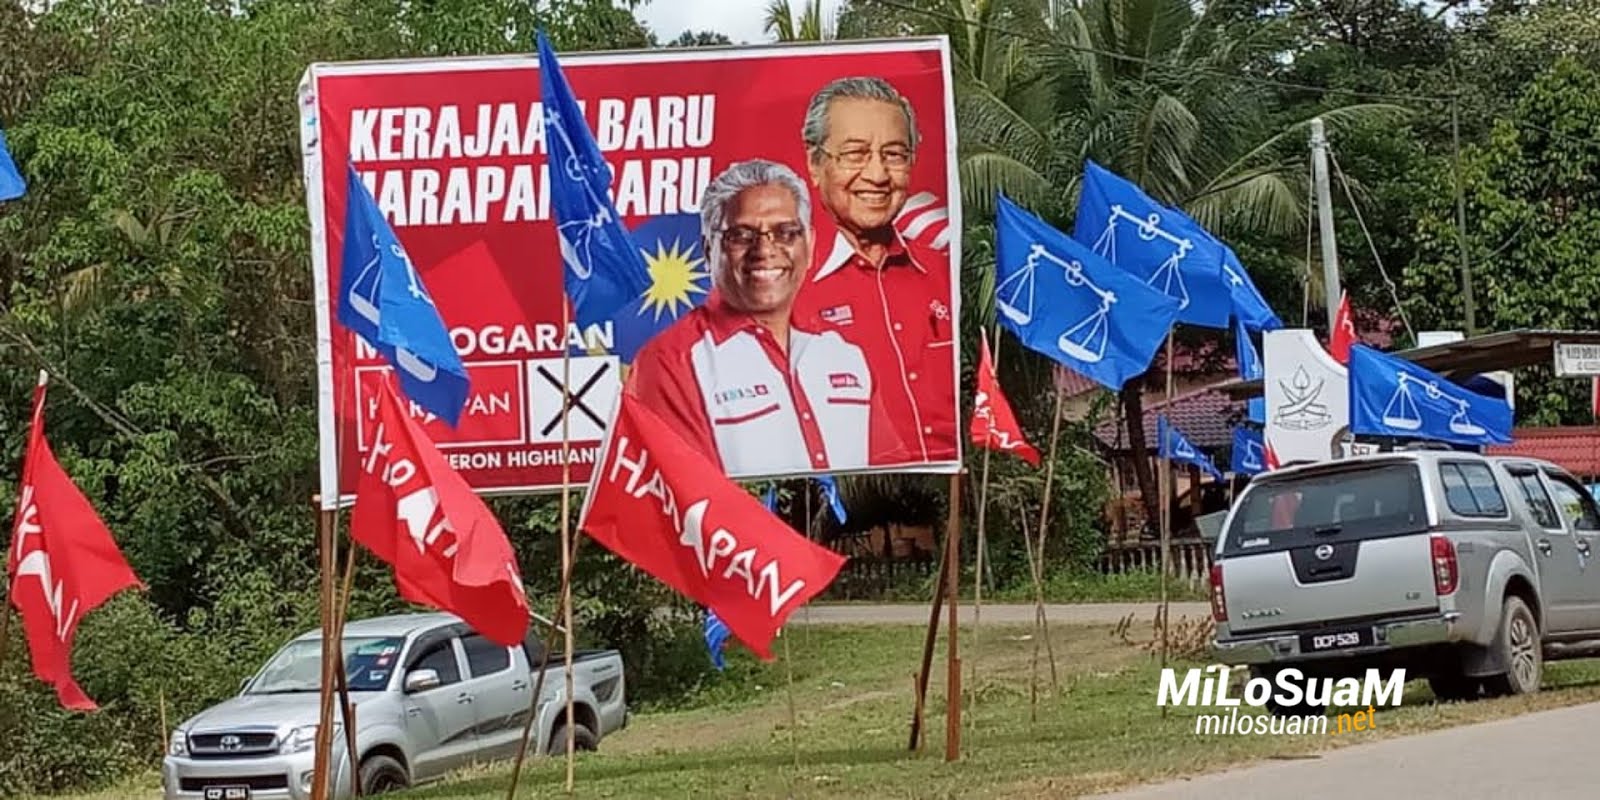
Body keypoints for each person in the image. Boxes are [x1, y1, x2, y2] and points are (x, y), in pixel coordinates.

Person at [626, 159, 907, 477]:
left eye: (786, 233)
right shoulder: (670, 361)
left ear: (810, 245)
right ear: (708, 250)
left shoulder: (844, 352)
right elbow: (690, 499)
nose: (764, 249)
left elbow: (890, 478)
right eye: (741, 236)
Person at [792, 76, 957, 465]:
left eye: (895, 155)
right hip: (844, 509)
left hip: (955, 500)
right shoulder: (783, 294)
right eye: (855, 154)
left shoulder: (946, 274)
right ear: (815, 164)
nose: (878, 175)